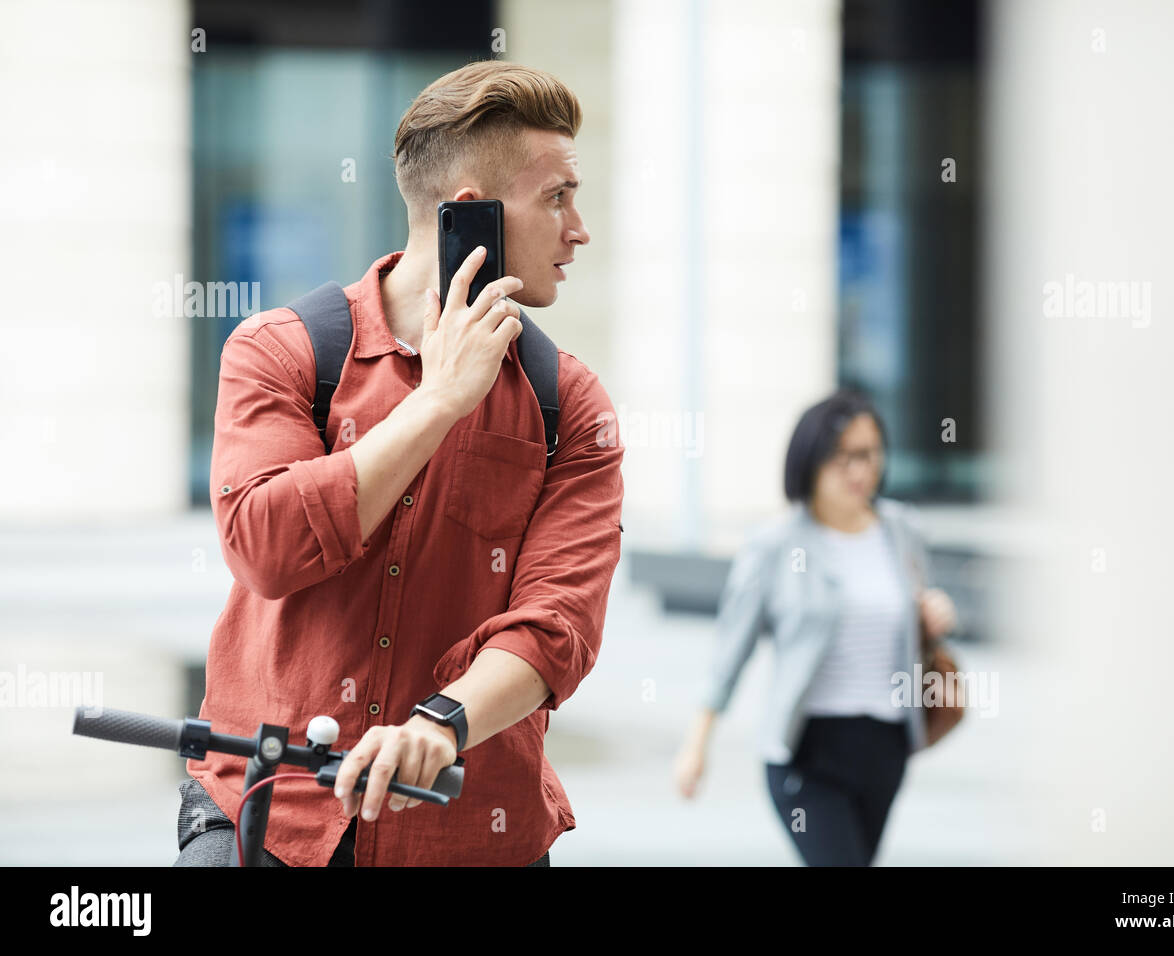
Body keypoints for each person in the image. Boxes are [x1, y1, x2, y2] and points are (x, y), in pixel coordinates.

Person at [174, 60, 624, 866]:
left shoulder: (571, 406)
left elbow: (558, 626)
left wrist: (439, 724)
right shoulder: (279, 351)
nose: (579, 227)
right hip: (269, 817)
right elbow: (266, 549)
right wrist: (437, 402)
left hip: (468, 830)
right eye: (556, 196)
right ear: (469, 213)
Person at [673, 388, 958, 865]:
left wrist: (934, 614)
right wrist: (696, 746)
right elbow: (731, 651)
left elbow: (915, 620)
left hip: (886, 748)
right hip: (806, 753)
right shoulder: (775, 545)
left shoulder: (902, 531)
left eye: (869, 454)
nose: (859, 470)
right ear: (809, 461)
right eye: (842, 457)